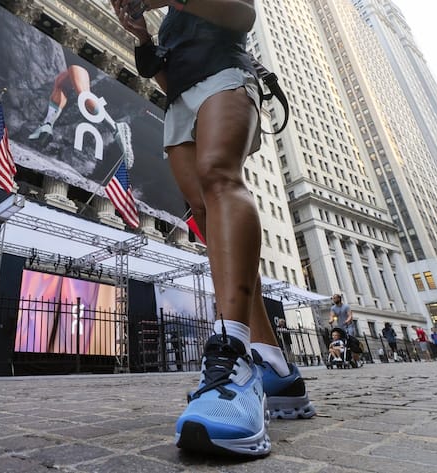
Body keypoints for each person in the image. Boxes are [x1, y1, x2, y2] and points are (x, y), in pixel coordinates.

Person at [111, 0, 314, 457]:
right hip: (181, 99)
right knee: (205, 214)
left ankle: (232, 356)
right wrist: (142, 35)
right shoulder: (173, 25)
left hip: (226, 78)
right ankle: (275, 368)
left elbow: (242, 17)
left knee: (220, 174)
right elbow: (168, 75)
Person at [27, 64, 135, 169]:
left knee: (84, 95)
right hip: (80, 63)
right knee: (60, 84)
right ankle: (47, 124)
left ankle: (116, 128)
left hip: (86, 61)